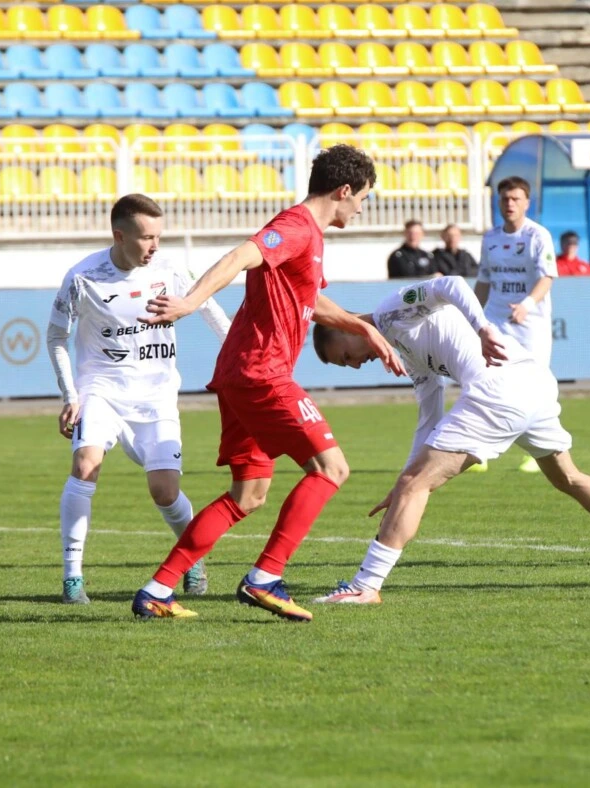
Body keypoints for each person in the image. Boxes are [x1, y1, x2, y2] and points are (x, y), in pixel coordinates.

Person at [131, 145, 405, 621]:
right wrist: (190, 303)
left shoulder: (310, 238)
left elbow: (310, 302)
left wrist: (363, 328)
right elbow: (241, 255)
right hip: (261, 372)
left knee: (249, 494)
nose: (361, 208)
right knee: (332, 469)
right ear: (344, 191)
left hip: (241, 374)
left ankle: (157, 590)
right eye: (362, 198)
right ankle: (265, 578)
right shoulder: (296, 226)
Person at [310, 276, 590, 603]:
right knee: (569, 477)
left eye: (346, 357)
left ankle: (365, 586)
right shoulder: (404, 348)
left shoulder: (389, 312)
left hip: (498, 391)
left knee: (415, 485)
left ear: (345, 327)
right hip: (533, 385)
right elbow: (429, 417)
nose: (355, 366)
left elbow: (451, 284)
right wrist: (403, 482)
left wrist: (482, 327)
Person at [48, 194, 231, 605]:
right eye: (147, 237)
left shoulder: (170, 269)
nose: (155, 246)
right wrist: (70, 394)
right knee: (85, 465)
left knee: (164, 491)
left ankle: (191, 558)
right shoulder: (83, 277)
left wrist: (244, 359)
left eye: (159, 236)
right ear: (119, 236)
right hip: (102, 390)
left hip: (156, 395)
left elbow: (212, 312)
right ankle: (72, 577)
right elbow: (56, 336)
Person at [475, 176, 558, 473]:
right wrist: (473, 316)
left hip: (530, 324)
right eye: (505, 199)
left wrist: (527, 304)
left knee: (536, 385)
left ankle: (538, 453)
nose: (509, 204)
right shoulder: (490, 238)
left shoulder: (537, 235)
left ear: (526, 203)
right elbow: (484, 280)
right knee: (487, 382)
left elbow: (547, 277)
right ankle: (480, 452)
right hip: (497, 321)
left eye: (515, 199)